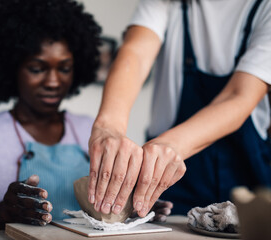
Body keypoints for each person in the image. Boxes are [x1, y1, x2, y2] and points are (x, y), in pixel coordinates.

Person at [0, 0, 172, 232]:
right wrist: (3, 214)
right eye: (37, 68)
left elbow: (100, 214)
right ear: (10, 68)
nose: (53, 82)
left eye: (64, 68)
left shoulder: (88, 129)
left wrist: (134, 206)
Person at [87, 0, 271, 217]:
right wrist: (108, 125)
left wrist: (168, 146)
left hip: (247, 182)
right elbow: (135, 52)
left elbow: (238, 96)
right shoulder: (166, 3)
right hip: (172, 189)